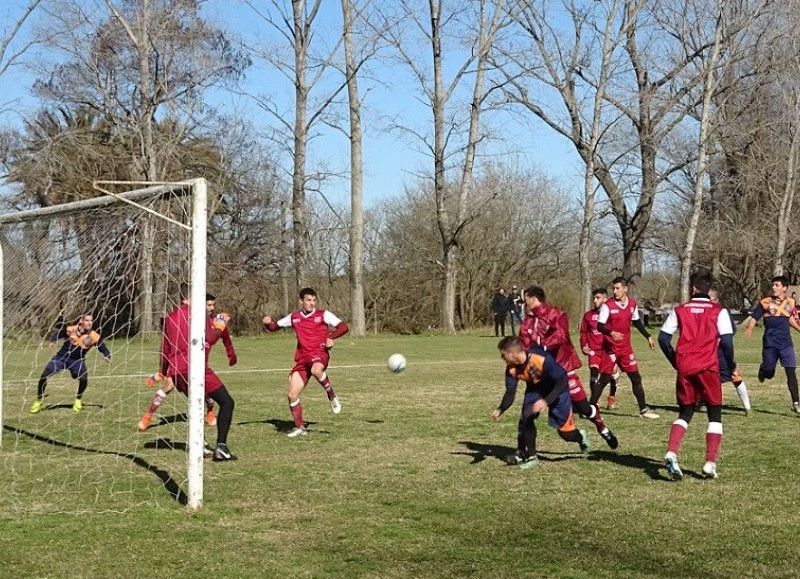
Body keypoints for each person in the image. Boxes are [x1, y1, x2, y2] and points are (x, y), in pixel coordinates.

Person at [518, 286, 618, 449]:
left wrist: (542, 346)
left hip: (564, 369)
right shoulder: (527, 322)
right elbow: (523, 344)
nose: (523, 302)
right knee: (563, 432)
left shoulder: (556, 314)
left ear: (534, 298)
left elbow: (561, 335)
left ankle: (603, 428)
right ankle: (576, 438)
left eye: (525, 299)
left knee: (584, 408)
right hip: (543, 376)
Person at [658, 273, 735, 480]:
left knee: (685, 413)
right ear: (708, 289)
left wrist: (676, 361)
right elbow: (727, 342)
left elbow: (663, 339)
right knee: (715, 415)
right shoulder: (719, 310)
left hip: (685, 367)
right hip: (708, 367)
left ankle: (672, 452)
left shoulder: (679, 310)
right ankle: (710, 463)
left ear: (693, 289)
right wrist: (731, 365)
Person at [148, 284, 237, 461]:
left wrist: (164, 372)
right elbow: (210, 339)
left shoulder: (170, 318)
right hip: (195, 368)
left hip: (176, 371)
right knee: (227, 402)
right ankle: (221, 447)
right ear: (191, 297)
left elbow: (164, 349)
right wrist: (219, 325)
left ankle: (199, 444)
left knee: (197, 405)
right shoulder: (198, 314)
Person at [262, 287, 349, 437]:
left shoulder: (324, 314)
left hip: (319, 354)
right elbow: (274, 327)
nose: (312, 303)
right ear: (301, 301)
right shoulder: (294, 317)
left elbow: (344, 327)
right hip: (302, 359)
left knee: (316, 370)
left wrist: (331, 337)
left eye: (314, 300)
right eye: (308, 300)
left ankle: (331, 395)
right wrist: (267, 323)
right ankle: (300, 428)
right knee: (292, 394)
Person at [492, 336, 589, 469]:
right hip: (535, 390)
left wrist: (545, 401)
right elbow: (510, 393)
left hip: (557, 390)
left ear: (512, 353)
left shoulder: (540, 358)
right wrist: (500, 409)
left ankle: (580, 437)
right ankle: (531, 456)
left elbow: (562, 380)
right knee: (526, 418)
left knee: (566, 434)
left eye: (503, 355)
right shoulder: (511, 369)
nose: (502, 358)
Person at [591, 277, 659, 419]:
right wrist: (610, 332)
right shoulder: (608, 305)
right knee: (604, 379)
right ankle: (590, 409)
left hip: (626, 348)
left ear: (625, 289)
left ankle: (643, 410)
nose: (615, 291)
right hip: (610, 348)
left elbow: (637, 322)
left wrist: (648, 336)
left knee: (636, 378)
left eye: (617, 288)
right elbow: (600, 325)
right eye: (613, 288)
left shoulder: (632, 304)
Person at [29, 312, 111, 413]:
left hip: (77, 361)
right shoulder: (71, 329)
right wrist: (53, 341)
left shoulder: (94, 336)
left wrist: (107, 355)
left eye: (91, 320)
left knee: (84, 378)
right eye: (87, 320)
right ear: (81, 321)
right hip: (61, 357)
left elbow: (102, 346)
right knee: (44, 375)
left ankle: (78, 400)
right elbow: (59, 333)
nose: (90, 323)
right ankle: (38, 401)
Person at [743, 275, 800, 413]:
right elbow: (754, 317)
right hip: (770, 344)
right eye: (773, 285)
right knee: (769, 373)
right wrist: (750, 328)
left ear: (784, 288)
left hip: (786, 344)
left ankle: (796, 403)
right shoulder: (765, 302)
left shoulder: (790, 302)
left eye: (777, 285)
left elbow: (789, 318)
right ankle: (763, 369)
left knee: (791, 371)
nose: (774, 287)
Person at [709, 288, 751, 414]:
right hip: (706, 351)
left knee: (734, 376)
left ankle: (747, 407)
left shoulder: (723, 312)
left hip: (721, 351)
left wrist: (721, 340)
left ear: (715, 299)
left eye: (709, 299)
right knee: (707, 378)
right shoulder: (703, 311)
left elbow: (732, 330)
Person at [579, 288, 621, 410]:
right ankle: (595, 402)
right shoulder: (588, 316)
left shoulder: (612, 314)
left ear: (605, 299)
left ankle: (611, 398)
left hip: (609, 351)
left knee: (613, 376)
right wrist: (583, 345)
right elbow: (583, 332)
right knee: (594, 375)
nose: (594, 300)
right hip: (594, 351)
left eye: (597, 298)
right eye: (594, 298)